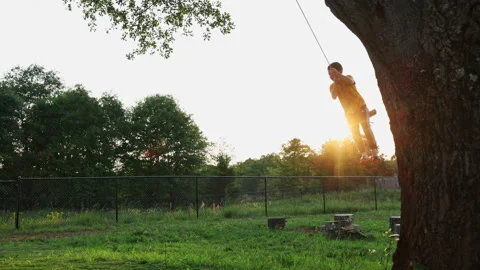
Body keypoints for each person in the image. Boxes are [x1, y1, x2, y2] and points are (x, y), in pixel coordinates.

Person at [328, 62, 381, 165]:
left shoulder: (348, 77)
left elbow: (351, 81)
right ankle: (364, 155)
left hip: (360, 107)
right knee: (355, 133)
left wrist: (338, 76)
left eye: (332, 73)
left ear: (339, 71)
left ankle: (375, 154)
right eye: (329, 74)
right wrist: (335, 81)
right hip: (349, 113)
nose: (330, 76)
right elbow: (334, 96)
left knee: (366, 129)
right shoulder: (332, 86)